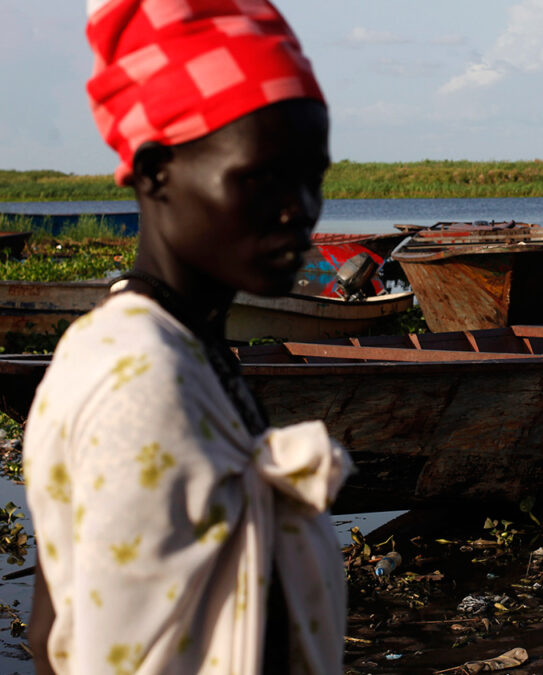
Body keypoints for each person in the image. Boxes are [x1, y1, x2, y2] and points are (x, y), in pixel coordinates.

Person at [22, 1, 350, 672]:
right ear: (153, 172)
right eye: (261, 178)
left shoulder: (174, 351)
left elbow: (51, 625)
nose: (300, 210)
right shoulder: (143, 384)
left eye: (310, 179)